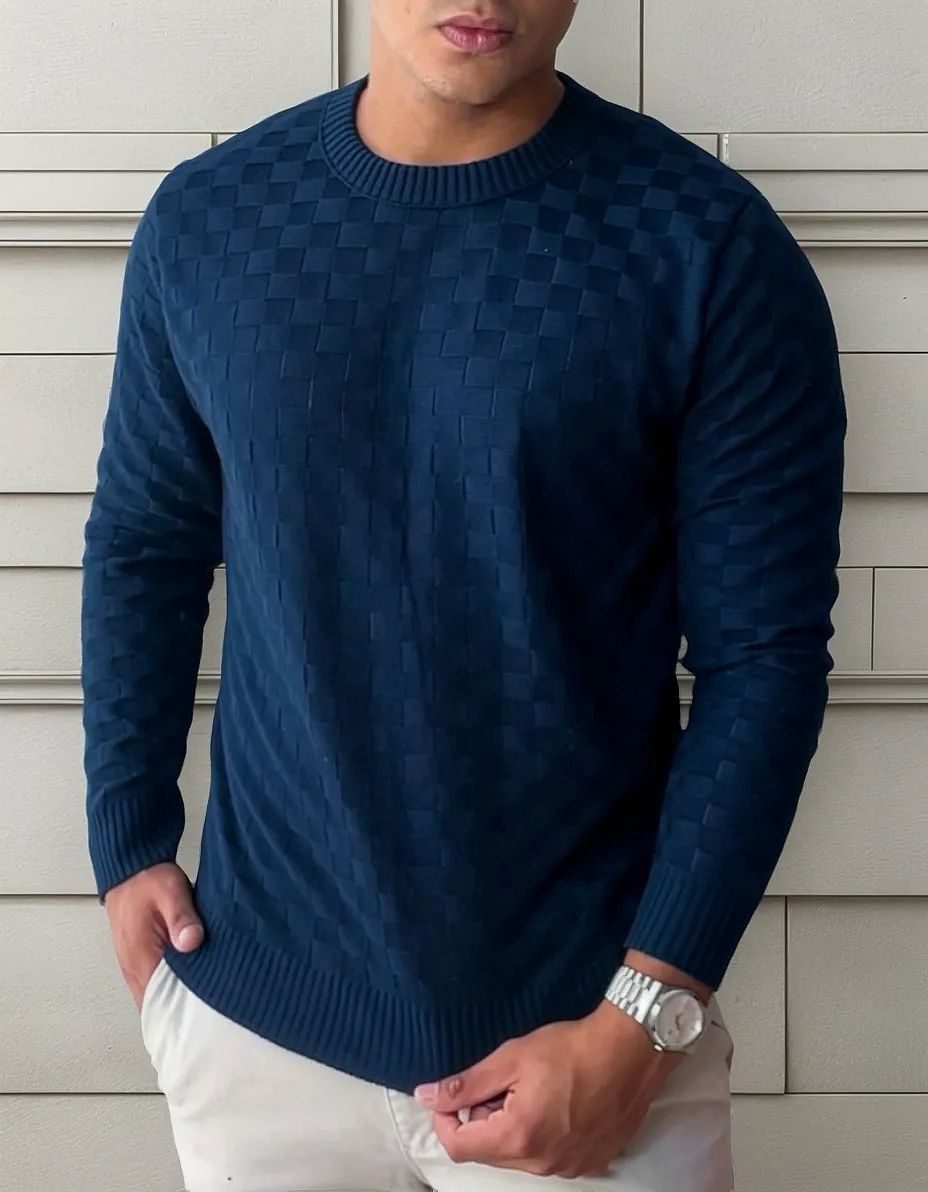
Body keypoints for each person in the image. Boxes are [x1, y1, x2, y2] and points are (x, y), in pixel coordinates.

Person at [80, 2, 846, 1189]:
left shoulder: (706, 244)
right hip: (257, 1035)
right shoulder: (211, 219)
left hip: (591, 1045)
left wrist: (646, 1016)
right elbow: (146, 543)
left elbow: (764, 655)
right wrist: (126, 837)